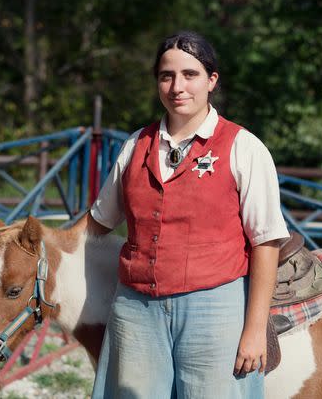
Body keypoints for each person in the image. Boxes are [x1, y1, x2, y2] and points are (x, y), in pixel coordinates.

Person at [79, 31, 289, 398]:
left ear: (211, 81)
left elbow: (266, 242)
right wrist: (34, 242)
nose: (178, 86)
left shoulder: (244, 147)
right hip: (136, 307)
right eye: (166, 75)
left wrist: (255, 329)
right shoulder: (135, 145)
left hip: (215, 308)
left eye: (190, 75)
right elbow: (98, 222)